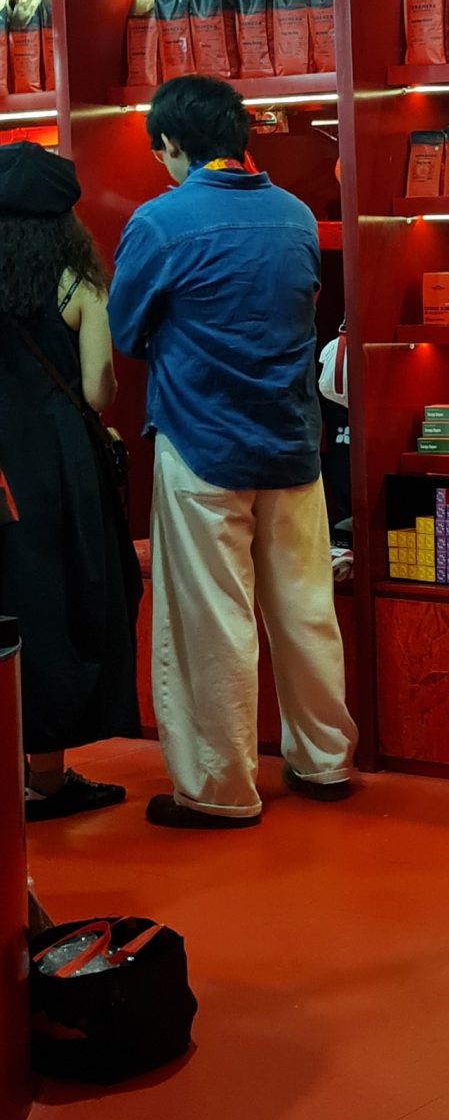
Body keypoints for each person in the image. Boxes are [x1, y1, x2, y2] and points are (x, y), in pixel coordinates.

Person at [108, 75, 357, 826]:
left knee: (211, 621)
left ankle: (220, 789)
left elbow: (126, 333)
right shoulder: (296, 216)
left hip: (201, 441)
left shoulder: (160, 223)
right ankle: (324, 761)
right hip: (292, 442)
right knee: (307, 611)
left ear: (171, 143)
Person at [0, 144, 141, 817]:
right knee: (55, 604)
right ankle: (47, 778)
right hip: (59, 466)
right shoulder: (77, 285)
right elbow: (97, 389)